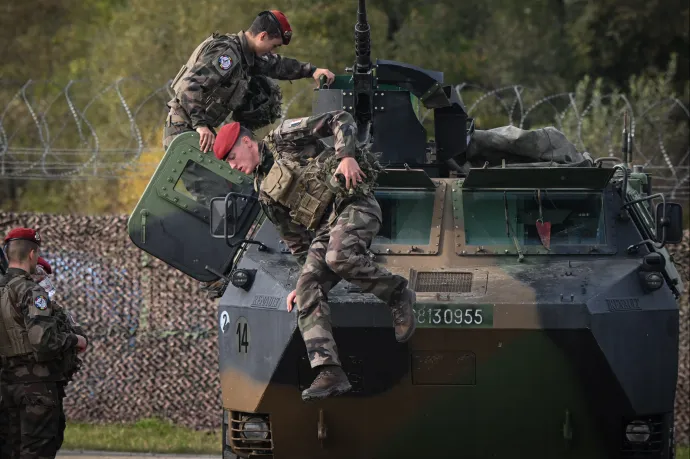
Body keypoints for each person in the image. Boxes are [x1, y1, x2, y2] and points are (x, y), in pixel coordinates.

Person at [211, 112, 418, 402]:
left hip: (353, 203)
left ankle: (397, 294)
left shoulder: (284, 138)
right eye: (228, 163)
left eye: (232, 157)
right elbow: (295, 239)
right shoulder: (264, 192)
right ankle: (330, 371)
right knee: (307, 287)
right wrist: (307, 276)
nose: (234, 166)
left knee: (337, 257)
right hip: (324, 229)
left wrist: (346, 156)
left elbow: (339, 118)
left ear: (247, 142)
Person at [163, 9, 336, 152]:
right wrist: (200, 125)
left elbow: (278, 65)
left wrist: (312, 71)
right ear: (262, 36)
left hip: (198, 129)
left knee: (230, 185)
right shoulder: (228, 54)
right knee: (215, 188)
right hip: (184, 128)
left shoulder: (246, 56)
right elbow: (190, 85)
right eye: (274, 45)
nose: (273, 51)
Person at [0, 228, 87, 459]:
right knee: (37, 451)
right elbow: (43, 341)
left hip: (7, 386)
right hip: (36, 387)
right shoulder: (30, 291)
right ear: (32, 254)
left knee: (11, 450)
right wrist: (75, 339)